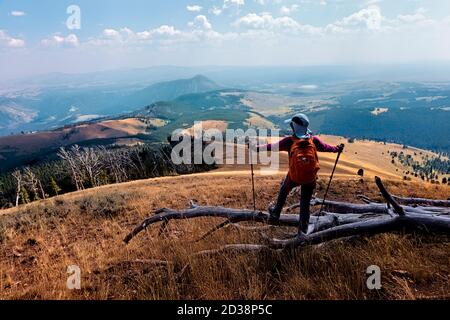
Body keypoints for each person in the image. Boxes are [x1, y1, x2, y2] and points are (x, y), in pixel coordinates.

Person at [253, 113, 344, 235]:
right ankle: (303, 230)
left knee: (284, 189)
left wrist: (256, 148)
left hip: (294, 177)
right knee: (305, 203)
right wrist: (337, 149)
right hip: (310, 178)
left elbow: (271, 147)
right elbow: (326, 147)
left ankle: (276, 213)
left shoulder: (289, 141)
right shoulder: (313, 140)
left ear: (294, 127)